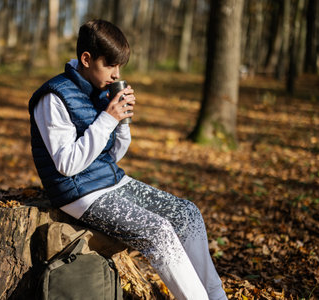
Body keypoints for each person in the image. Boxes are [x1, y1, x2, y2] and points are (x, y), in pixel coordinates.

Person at [28, 19, 227, 300]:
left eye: (119, 67)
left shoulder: (99, 90)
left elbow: (113, 155)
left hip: (110, 180)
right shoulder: (53, 97)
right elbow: (66, 164)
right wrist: (108, 118)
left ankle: (216, 296)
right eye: (110, 65)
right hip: (77, 193)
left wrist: (122, 122)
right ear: (86, 59)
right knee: (157, 232)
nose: (115, 74)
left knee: (187, 213)